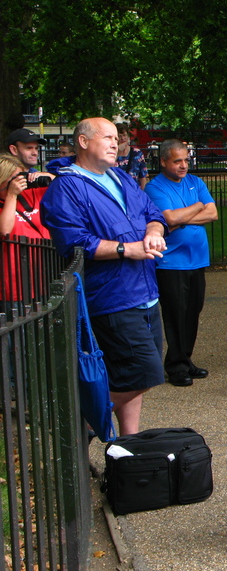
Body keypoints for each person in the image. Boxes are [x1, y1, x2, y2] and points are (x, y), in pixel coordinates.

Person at [41, 118, 168, 436]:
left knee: (127, 375)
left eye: (116, 137)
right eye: (108, 137)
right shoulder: (66, 187)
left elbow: (153, 214)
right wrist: (128, 249)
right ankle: (80, 428)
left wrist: (153, 232)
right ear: (84, 142)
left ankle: (128, 445)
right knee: (145, 373)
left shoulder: (120, 178)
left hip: (145, 292)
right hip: (112, 297)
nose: (116, 143)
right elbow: (73, 242)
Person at [145, 139, 217, 387]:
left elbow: (214, 213)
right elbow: (169, 217)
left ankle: (185, 359)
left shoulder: (195, 182)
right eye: (177, 161)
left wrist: (183, 218)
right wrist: (197, 206)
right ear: (163, 161)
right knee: (175, 315)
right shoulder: (156, 188)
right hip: (171, 263)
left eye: (186, 160)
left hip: (197, 260)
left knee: (192, 312)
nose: (184, 165)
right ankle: (175, 366)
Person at [0, 154, 51, 306]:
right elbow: (5, 231)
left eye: (21, 176)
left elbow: (66, 185)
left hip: (43, 278)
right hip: (14, 286)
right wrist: (11, 195)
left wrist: (46, 175)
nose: (20, 181)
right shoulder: (9, 199)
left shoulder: (32, 193)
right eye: (15, 178)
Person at [115, 123, 148, 189]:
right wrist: (117, 152)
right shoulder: (111, 154)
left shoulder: (137, 153)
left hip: (134, 191)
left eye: (124, 135)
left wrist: (143, 194)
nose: (123, 138)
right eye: (119, 136)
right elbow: (106, 170)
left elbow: (143, 176)